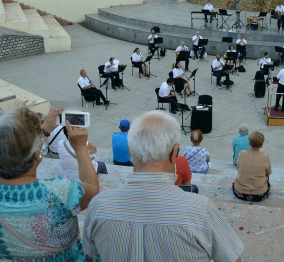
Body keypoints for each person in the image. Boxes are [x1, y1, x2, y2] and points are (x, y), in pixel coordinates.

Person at [83, 111, 244, 261]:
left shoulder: (98, 206)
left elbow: (91, 255)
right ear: (175, 153)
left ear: (130, 151)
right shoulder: (200, 210)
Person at [0, 107, 99, 260]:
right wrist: (80, 148)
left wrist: (45, 129)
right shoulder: (60, 191)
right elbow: (91, 188)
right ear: (39, 155)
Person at [233, 131, 272, 202]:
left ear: (249, 143)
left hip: (239, 192)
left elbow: (238, 168)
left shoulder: (241, 153)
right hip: (259, 194)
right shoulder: (265, 157)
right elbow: (268, 173)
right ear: (262, 144)